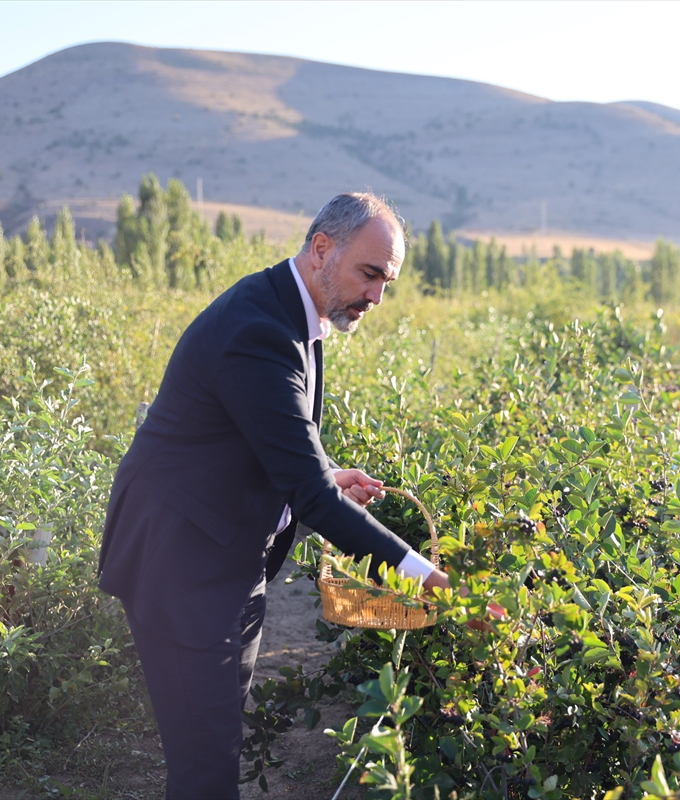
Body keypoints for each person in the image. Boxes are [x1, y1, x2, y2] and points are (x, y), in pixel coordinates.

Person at [97, 193, 452, 799]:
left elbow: (272, 434)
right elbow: (311, 500)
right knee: (204, 767)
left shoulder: (294, 313)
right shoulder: (260, 328)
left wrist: (326, 472)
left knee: (214, 746)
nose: (376, 296)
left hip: (228, 557)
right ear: (321, 249)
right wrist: (426, 577)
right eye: (370, 274)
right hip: (180, 565)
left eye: (386, 282)